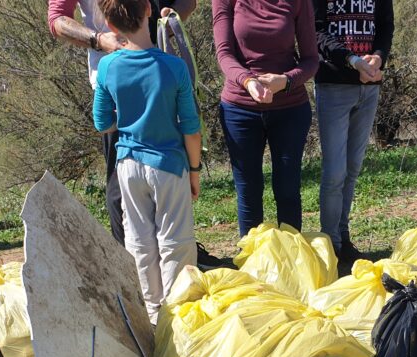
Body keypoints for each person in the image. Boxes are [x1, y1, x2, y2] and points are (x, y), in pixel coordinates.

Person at [48, 0, 195, 247]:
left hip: (162, 75)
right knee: (121, 181)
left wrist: (169, 21)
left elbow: (188, 2)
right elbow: (57, 20)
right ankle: (130, 265)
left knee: (168, 168)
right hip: (115, 80)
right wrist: (99, 40)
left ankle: (173, 258)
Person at [93, 0, 202, 322]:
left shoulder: (108, 67)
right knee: (176, 243)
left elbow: (102, 123)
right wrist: (194, 171)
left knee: (139, 242)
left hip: (128, 165)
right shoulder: (173, 67)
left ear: (111, 27)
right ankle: (177, 318)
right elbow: (191, 129)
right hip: (168, 164)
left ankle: (153, 317)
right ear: (148, 11)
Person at [213, 0, 318, 236]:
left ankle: (291, 260)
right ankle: (251, 263)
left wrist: (287, 81)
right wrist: (247, 81)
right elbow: (224, 53)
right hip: (239, 109)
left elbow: (311, 60)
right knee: (248, 190)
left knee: (288, 190)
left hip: (290, 109)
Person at [314, 0, 394, 262]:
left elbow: (385, 26)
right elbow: (317, 32)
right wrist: (352, 60)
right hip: (333, 85)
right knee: (335, 172)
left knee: (352, 167)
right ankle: (331, 246)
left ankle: (343, 237)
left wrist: (379, 57)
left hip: (370, 85)